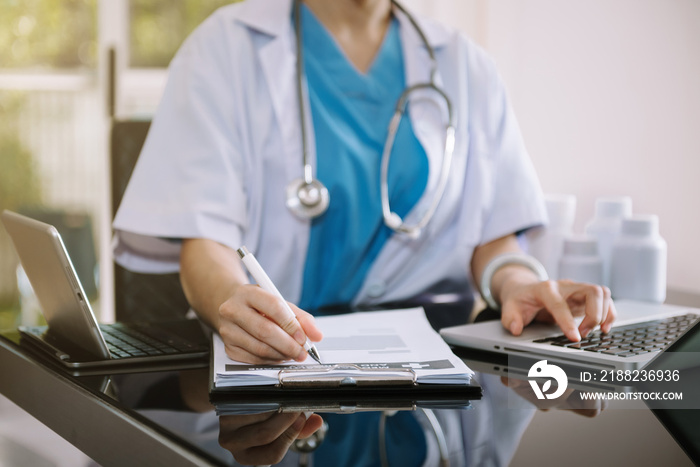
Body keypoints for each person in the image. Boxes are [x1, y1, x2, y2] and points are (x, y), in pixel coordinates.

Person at [113, 0, 616, 464]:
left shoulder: (466, 65)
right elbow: (206, 241)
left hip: (430, 381)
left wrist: (518, 282)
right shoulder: (224, 47)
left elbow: (494, 235)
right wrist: (232, 300)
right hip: (281, 367)